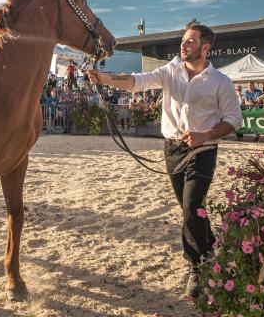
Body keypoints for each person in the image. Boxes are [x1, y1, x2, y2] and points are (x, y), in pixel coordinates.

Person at [89, 23, 242, 300]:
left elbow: (234, 120)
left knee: (192, 207)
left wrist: (205, 134)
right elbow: (137, 81)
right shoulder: (170, 70)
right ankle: (211, 245)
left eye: (191, 41)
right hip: (171, 149)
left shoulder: (221, 81)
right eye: (183, 40)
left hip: (203, 150)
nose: (184, 45)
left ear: (205, 47)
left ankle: (196, 267)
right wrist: (105, 79)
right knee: (189, 208)